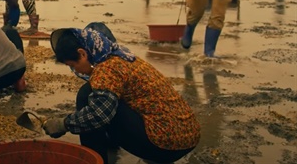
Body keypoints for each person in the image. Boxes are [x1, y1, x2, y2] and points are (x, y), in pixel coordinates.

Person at [43, 23, 200, 164]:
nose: (74, 70)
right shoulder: (123, 57)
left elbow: (99, 114)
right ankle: (112, 146)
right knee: (104, 99)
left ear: (83, 54)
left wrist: (63, 124)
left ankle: (96, 159)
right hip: (187, 137)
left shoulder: (106, 70)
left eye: (72, 65)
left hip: (165, 146)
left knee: (88, 97)